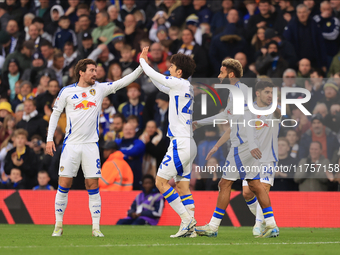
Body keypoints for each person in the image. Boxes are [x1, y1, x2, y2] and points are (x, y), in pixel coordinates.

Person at [45, 58, 143, 237]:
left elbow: (122, 82)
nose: (95, 74)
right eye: (91, 70)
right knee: (64, 183)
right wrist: (49, 139)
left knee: (92, 184)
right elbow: (55, 114)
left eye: (96, 70)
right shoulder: (67, 91)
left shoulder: (99, 88)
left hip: (91, 146)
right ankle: (58, 225)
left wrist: (141, 66)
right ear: (81, 72)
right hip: (71, 145)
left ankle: (96, 228)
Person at [193, 59, 279, 238]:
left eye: (222, 72)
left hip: (242, 145)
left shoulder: (241, 91)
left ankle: (213, 227)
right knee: (254, 185)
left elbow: (248, 117)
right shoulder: (235, 92)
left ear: (231, 74)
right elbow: (226, 115)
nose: (219, 76)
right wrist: (200, 123)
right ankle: (271, 224)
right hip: (243, 144)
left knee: (225, 183)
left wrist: (252, 143)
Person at [139, 47, 197, 238]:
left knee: (160, 181)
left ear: (179, 72)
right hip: (189, 143)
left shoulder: (179, 84)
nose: (169, 69)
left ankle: (187, 220)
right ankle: (192, 230)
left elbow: (157, 76)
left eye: (171, 67)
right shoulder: (185, 87)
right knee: (182, 187)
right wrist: (150, 71)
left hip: (180, 144)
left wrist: (142, 61)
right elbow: (161, 85)